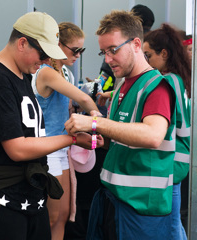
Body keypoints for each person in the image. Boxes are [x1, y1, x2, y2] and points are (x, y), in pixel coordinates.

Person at [0, 12, 104, 240]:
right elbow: (17, 149)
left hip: (24, 198)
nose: (46, 61)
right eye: (43, 54)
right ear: (23, 43)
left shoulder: (22, 74)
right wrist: (72, 139)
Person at [64, 10, 177, 239]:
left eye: (113, 50)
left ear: (136, 44)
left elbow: (153, 135)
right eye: (103, 52)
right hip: (114, 201)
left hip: (141, 209)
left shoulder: (156, 86)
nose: (107, 59)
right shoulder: (122, 87)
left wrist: (95, 122)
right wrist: (91, 138)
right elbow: (117, 139)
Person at [31, 21, 101, 240]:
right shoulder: (45, 72)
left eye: (82, 50)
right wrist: (98, 122)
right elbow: (82, 97)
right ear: (57, 45)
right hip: (47, 150)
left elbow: (75, 103)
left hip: (63, 149)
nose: (78, 55)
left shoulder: (67, 75)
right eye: (75, 49)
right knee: (51, 218)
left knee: (63, 216)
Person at [143, 23, 191, 239]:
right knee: (174, 222)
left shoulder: (167, 81)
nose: (146, 61)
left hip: (171, 161)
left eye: (149, 55)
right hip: (178, 161)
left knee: (172, 225)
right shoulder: (179, 78)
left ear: (164, 53)